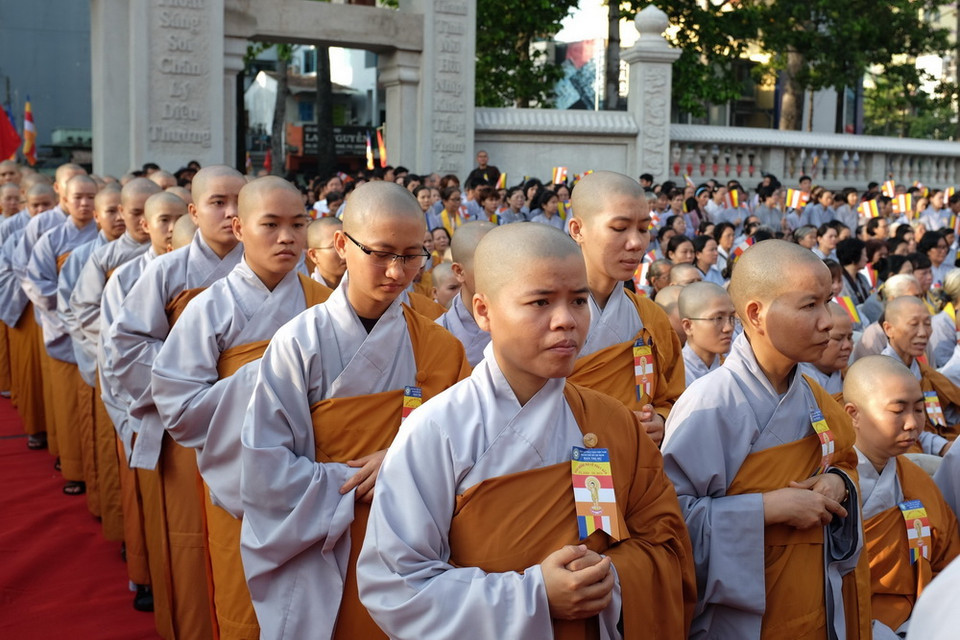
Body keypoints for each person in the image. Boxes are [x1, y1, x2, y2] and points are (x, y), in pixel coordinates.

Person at [356, 222, 697, 638]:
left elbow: (665, 542)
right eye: (540, 302)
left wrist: (610, 577)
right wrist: (535, 595)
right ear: (483, 311)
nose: (566, 321)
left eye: (578, 300)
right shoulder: (436, 429)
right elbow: (396, 584)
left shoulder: (612, 421)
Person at [238, 182, 469, 640]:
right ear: (342, 245)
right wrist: (350, 481)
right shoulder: (298, 342)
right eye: (382, 253)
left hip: (412, 543)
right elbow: (265, 469)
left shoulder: (441, 346)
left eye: (412, 255)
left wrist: (403, 459)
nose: (397, 271)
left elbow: (468, 444)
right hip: (321, 543)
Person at [152, 177, 332, 640]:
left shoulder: (324, 303)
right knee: (243, 606)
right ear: (239, 227)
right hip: (241, 481)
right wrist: (270, 376)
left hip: (311, 478)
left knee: (311, 603)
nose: (287, 237)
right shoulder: (209, 307)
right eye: (270, 224)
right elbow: (178, 405)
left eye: (298, 224)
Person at [662, 240, 870, 639]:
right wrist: (765, 509)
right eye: (809, 306)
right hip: (741, 621)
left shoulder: (813, 395)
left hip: (816, 607)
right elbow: (670, 525)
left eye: (828, 302)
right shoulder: (711, 404)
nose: (828, 321)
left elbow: (845, 460)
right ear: (756, 314)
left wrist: (837, 484)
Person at [107, 165, 247, 640]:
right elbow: (125, 348)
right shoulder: (167, 271)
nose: (230, 213)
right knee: (191, 549)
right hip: (186, 429)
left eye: (238, 203)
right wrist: (192, 380)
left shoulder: (275, 267)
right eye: (217, 202)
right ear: (194, 211)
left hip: (258, 431)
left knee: (249, 550)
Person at [100, 188, 188, 615]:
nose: (172, 229)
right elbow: (115, 355)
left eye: (178, 218)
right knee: (153, 509)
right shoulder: (127, 276)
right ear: (144, 224)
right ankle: (147, 574)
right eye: (162, 220)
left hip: (214, 415)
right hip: (149, 407)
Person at [844, 356, 960, 638]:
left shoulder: (918, 480)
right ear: (853, 414)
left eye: (919, 409)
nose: (913, 423)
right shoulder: (833, 485)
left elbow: (948, 560)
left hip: (923, 621)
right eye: (898, 410)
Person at [567, 171, 685, 447]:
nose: (636, 243)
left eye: (643, 229)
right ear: (577, 230)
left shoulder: (651, 317)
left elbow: (673, 397)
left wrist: (662, 419)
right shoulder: (543, 316)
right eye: (619, 228)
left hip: (635, 467)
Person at [23, 174, 99, 495]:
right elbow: (36, 284)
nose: (84, 203)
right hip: (64, 331)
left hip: (98, 333)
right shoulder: (50, 240)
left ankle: (97, 470)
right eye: (77, 197)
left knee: (97, 408)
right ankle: (74, 467)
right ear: (64, 201)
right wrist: (72, 310)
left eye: (90, 197)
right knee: (68, 404)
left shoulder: (105, 238)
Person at [0, 182, 57, 449]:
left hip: (55, 311)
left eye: (47, 204)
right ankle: (36, 427)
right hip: (25, 306)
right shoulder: (13, 233)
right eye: (35, 205)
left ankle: (56, 433)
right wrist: (34, 289)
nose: (41, 210)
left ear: (57, 202)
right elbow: (9, 271)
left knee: (52, 376)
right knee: (31, 371)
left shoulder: (61, 231)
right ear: (25, 205)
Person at [880, 296, 959, 451]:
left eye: (928, 324)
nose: (923, 333)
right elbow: (900, 428)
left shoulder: (925, 373)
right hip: (907, 451)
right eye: (913, 324)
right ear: (889, 329)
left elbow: (950, 412)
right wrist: (943, 447)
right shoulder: (882, 374)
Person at [436, 221, 495, 368]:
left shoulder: (525, 324)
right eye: (489, 264)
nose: (500, 273)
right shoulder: (434, 334)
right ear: (459, 272)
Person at [679, 282, 735, 385]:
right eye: (718, 318)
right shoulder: (677, 376)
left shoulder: (734, 364)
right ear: (688, 326)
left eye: (731, 317)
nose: (729, 328)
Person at [799, 302, 854, 399]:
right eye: (838, 338)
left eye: (849, 338)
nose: (847, 345)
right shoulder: (799, 381)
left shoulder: (852, 376)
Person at [306, 217, 346, 289]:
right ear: (314, 255)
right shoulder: (306, 295)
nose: (345, 250)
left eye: (346, 243)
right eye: (335, 246)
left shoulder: (364, 289)